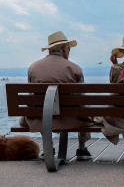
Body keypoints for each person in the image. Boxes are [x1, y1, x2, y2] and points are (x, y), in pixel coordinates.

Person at [20, 31, 93, 160]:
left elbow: (31, 98)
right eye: (69, 48)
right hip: (72, 118)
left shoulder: (33, 68)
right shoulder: (76, 69)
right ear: (64, 49)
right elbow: (82, 98)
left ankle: (48, 147)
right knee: (84, 108)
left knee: (41, 109)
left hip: (40, 118)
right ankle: (81, 149)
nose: (69, 51)